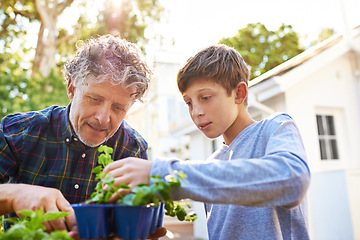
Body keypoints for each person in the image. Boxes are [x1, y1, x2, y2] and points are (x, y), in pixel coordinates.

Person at [103, 44, 311, 239]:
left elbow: (292, 181)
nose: (196, 112)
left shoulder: (275, 128)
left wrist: (161, 174)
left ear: (239, 93)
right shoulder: (213, 164)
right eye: (189, 103)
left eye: (205, 97)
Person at [0, 34, 165, 239]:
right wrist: (14, 195)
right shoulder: (20, 132)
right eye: (95, 99)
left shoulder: (133, 149)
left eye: (118, 108)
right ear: (71, 87)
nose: (104, 118)